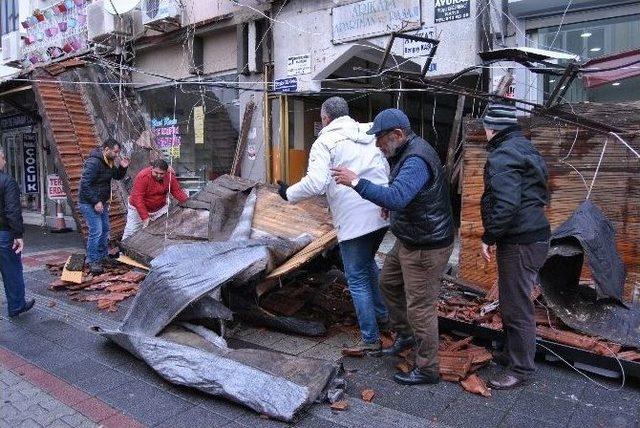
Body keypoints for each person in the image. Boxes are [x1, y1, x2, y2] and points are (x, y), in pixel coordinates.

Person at [332, 108, 454, 385]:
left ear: (398, 135)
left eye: (381, 138)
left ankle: (427, 369)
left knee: (420, 307)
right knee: (387, 283)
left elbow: (398, 196)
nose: (377, 144)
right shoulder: (405, 152)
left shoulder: (415, 160)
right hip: (410, 238)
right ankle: (406, 335)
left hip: (426, 245)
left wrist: (355, 181)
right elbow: (403, 195)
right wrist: (391, 205)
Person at [277, 96, 390, 353]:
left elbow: (316, 183)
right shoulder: (368, 130)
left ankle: (371, 339)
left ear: (325, 118)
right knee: (369, 265)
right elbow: (384, 165)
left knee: (357, 278)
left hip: (354, 220)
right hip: (381, 212)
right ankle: (384, 318)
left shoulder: (324, 142)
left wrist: (289, 193)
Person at [479, 102, 550, 389]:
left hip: (520, 240)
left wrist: (489, 237)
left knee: (517, 306)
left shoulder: (503, 155)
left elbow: (506, 204)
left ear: (491, 127)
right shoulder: (524, 147)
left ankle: (521, 370)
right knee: (512, 300)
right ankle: (511, 354)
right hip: (531, 236)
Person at [79, 138, 129, 275]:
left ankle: (102, 257)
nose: (117, 155)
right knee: (96, 230)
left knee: (105, 229)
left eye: (118, 152)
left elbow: (116, 176)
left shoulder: (109, 161)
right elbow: (85, 184)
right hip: (89, 202)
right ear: (106, 149)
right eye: (115, 152)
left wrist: (123, 168)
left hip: (102, 202)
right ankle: (92, 260)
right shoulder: (93, 162)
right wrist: (95, 201)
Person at [0, 148, 34, 317]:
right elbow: (12, 210)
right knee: (12, 271)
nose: (5, 161)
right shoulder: (7, 181)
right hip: (4, 235)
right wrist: (18, 235)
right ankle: (16, 306)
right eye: (3, 158)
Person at [122, 159, 188, 240]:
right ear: (152, 169)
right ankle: (123, 251)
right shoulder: (143, 176)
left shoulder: (170, 177)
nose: (159, 176)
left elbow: (177, 192)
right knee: (131, 231)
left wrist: (188, 203)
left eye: (161, 174)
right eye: (156, 173)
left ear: (166, 172)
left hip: (159, 208)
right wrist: (145, 217)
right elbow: (137, 198)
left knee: (161, 231)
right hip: (137, 208)